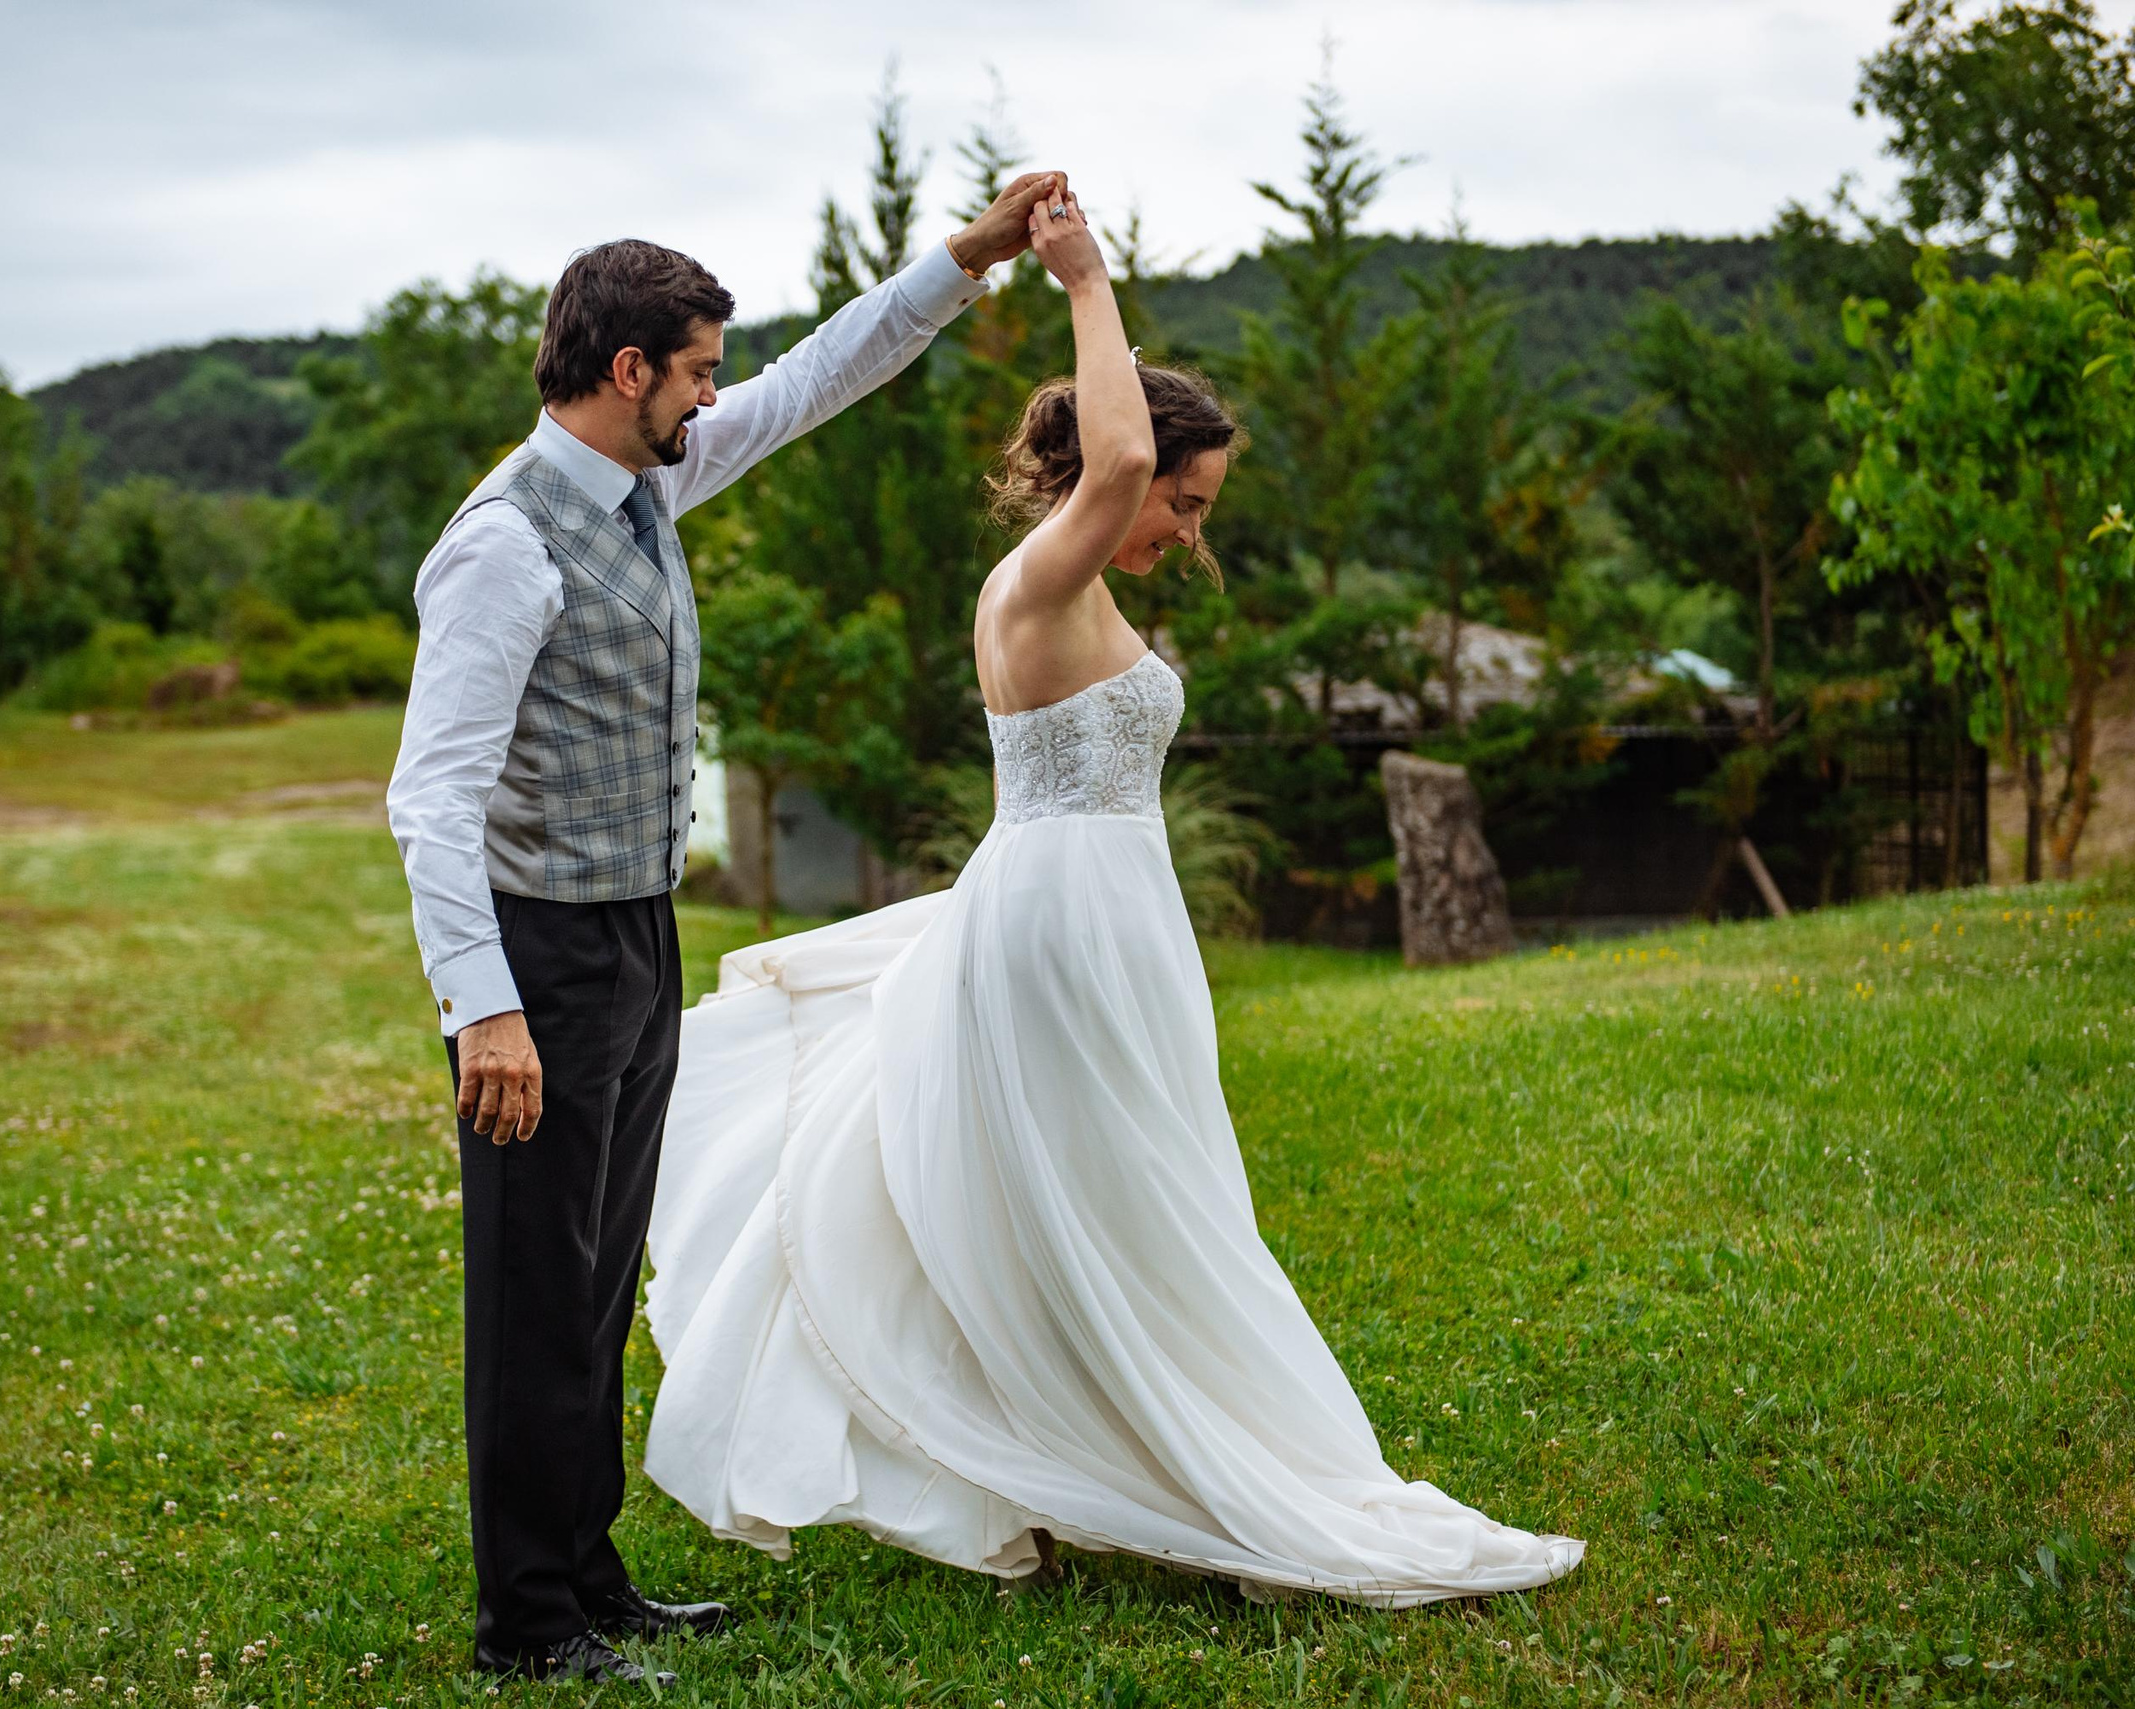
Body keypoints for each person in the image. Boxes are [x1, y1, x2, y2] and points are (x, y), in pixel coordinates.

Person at [641, 186, 1586, 1608]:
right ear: (1110, 473)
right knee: (1125, 1201)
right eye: (1179, 501)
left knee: (1134, 1198)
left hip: (1107, 912)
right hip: (1062, 921)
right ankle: (1171, 1468)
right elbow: (1124, 443)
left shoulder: (1080, 587)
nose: (1182, 525)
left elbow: (1134, 473)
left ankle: (1109, 1456)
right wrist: (1081, 273)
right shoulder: (1038, 573)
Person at [385, 171, 1064, 1685]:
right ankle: (528, 1625)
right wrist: (481, 1007)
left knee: (599, 1269)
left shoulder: (649, 484)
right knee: (531, 1290)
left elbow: (820, 378)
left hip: (638, 935)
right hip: (540, 957)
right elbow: (430, 799)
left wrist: (969, 260)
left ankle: (590, 1574)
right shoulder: (505, 542)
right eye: (694, 368)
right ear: (629, 371)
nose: (712, 393)